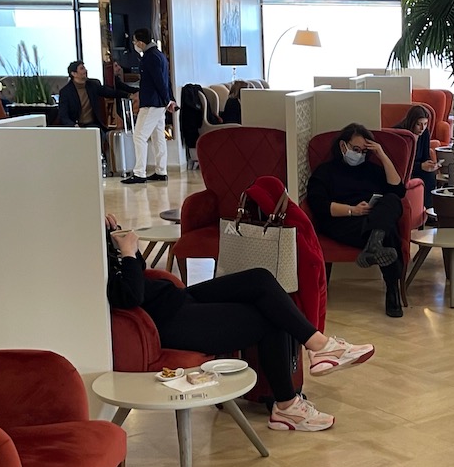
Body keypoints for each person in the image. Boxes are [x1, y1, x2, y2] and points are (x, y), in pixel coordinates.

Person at [105, 214, 373, 431]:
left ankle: (319, 346)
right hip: (166, 322)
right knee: (270, 316)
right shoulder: (87, 264)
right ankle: (287, 405)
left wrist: (118, 242)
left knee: (260, 278)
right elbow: (130, 295)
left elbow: (135, 275)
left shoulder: (97, 247)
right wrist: (127, 252)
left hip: (175, 300)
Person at [307, 123, 406, 319]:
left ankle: (375, 243)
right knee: (389, 233)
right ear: (343, 146)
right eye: (355, 149)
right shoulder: (325, 171)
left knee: (392, 201)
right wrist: (353, 210)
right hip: (342, 221)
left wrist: (382, 155)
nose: (359, 154)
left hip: (372, 219)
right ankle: (392, 291)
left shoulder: (372, 169)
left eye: (363, 151)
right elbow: (318, 205)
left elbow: (398, 191)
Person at [125, 28, 174, 185]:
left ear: (140, 42)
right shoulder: (159, 55)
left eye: (134, 42)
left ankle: (139, 173)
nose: (134, 45)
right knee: (158, 137)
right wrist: (169, 99)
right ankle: (161, 171)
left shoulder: (149, 57)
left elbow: (159, 81)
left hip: (152, 103)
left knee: (139, 136)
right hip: (159, 103)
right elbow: (166, 80)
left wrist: (167, 100)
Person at [57, 60, 129, 134]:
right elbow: (63, 115)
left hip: (92, 125)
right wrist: (73, 125)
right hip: (76, 126)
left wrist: (128, 95)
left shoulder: (92, 85)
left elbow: (109, 92)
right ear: (74, 73)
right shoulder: (65, 92)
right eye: (82, 69)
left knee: (101, 136)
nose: (85, 70)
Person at [393, 104, 439, 217]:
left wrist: (430, 165)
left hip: (417, 166)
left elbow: (425, 157)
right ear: (412, 122)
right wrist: (420, 166)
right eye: (419, 124)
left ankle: (428, 210)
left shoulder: (425, 133)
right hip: (402, 170)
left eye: (425, 124)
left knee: (430, 174)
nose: (422, 128)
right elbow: (400, 163)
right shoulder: (400, 133)